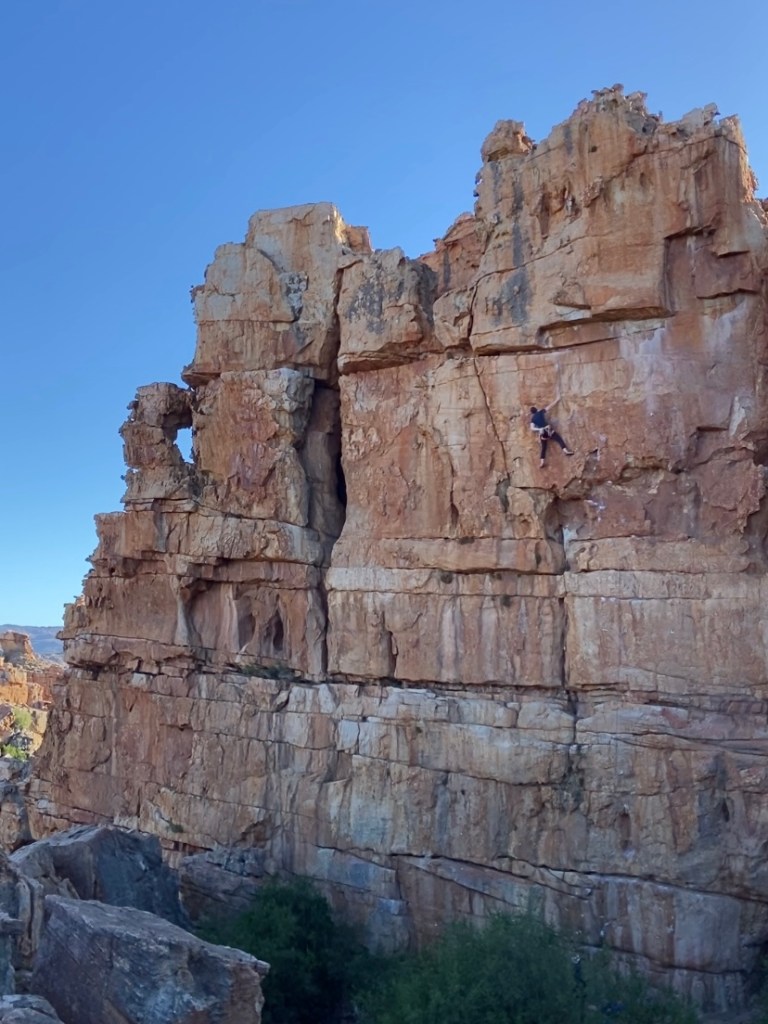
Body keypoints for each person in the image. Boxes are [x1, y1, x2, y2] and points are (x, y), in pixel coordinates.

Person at [529, 398, 574, 467]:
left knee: (544, 447)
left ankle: (542, 462)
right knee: (558, 439)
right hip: (548, 430)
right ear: (536, 409)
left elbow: (532, 428)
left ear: (532, 413)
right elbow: (549, 407)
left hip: (542, 433)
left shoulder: (532, 419)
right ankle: (565, 451)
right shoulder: (540, 412)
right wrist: (557, 400)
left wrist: (539, 429)